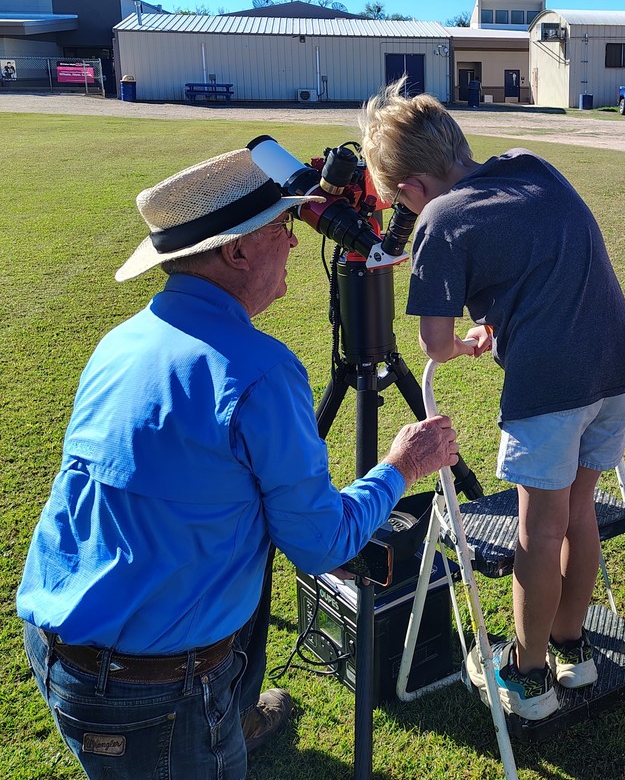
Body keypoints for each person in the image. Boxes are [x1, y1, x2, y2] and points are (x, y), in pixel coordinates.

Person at [16, 148, 459, 779]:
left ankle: (234, 712)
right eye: (281, 229)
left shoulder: (120, 342)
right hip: (151, 690)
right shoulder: (259, 371)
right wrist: (401, 465)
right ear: (236, 252)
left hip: (58, 641)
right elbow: (320, 542)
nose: (295, 245)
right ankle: (214, 719)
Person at [361, 83, 625, 721]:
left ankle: (526, 677)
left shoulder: (439, 220)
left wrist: (472, 347)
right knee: (578, 514)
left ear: (410, 187)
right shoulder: (532, 166)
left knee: (538, 531)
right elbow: (541, 262)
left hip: (551, 388)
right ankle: (572, 650)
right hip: (616, 367)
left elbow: (436, 343)